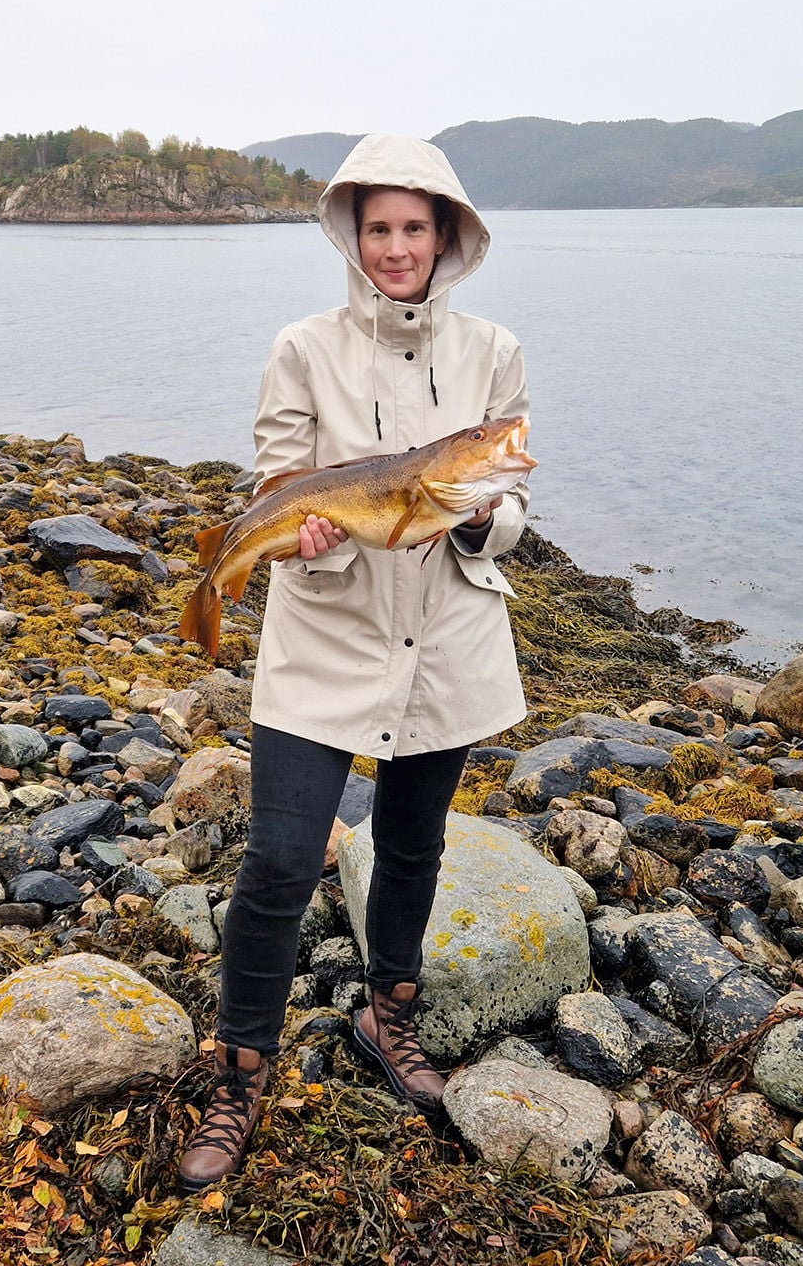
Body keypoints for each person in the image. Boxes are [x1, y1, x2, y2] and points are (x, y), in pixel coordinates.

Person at [178, 134, 530, 1191]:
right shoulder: (304, 348)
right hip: (324, 638)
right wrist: (306, 534)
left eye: (414, 227)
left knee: (413, 851)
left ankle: (393, 1019)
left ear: (447, 237)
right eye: (378, 228)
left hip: (449, 645)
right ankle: (239, 1071)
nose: (395, 247)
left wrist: (475, 525)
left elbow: (509, 500)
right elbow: (281, 475)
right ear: (354, 236)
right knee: (281, 861)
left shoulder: (494, 352)